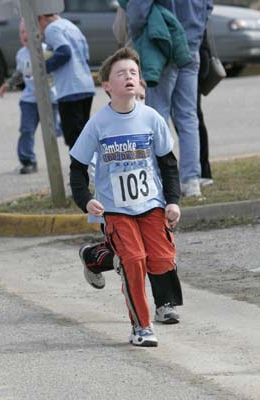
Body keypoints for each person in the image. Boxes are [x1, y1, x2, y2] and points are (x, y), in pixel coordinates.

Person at [70, 47, 181, 347]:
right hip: (115, 209)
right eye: (121, 74)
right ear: (106, 85)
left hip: (151, 204)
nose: (129, 77)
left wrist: (172, 200)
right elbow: (78, 168)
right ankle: (141, 327)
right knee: (133, 259)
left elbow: (168, 163)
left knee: (161, 259)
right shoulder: (98, 124)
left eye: (133, 73)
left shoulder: (151, 118)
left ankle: (93, 257)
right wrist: (86, 201)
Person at [124, 0, 213, 197]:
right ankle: (191, 181)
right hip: (190, 46)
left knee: (157, 115)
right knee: (188, 117)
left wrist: (138, 34)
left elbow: (137, 12)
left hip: (162, 44)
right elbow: (208, 8)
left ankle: (160, 178)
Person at [0, 18, 61, 174]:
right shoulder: (21, 54)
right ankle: (28, 161)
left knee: (56, 130)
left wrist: (44, 89)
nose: (24, 35)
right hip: (29, 101)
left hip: (49, 100)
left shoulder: (47, 50)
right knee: (26, 130)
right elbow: (20, 73)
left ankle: (69, 159)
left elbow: (54, 75)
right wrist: (8, 84)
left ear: (39, 33)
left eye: (28, 31)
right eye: (22, 32)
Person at [38, 13, 95, 150]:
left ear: (41, 19)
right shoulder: (71, 26)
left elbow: (64, 52)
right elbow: (86, 56)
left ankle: (79, 170)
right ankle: (87, 168)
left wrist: (41, 67)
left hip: (70, 88)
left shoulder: (52, 29)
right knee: (84, 135)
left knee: (73, 137)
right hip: (86, 85)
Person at [198, 31, 213, 186]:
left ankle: (203, 171)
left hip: (192, 55)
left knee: (192, 120)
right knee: (192, 119)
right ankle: (202, 171)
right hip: (198, 53)